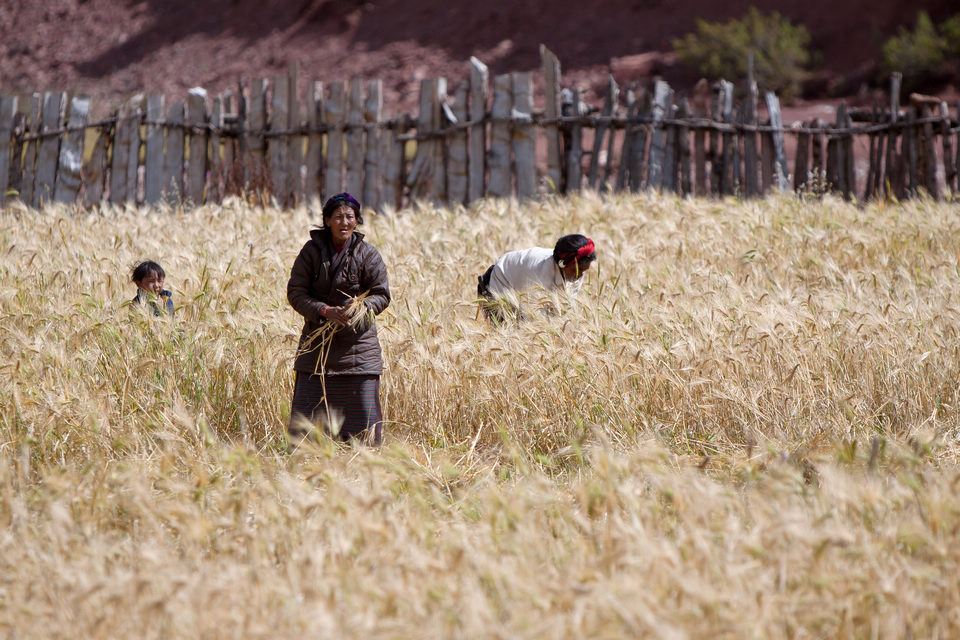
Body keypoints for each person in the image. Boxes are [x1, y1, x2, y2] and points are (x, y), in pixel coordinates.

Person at [287, 193, 391, 445]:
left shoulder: (367, 254)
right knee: (307, 426)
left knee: (363, 426)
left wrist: (360, 308)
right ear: (327, 221)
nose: (344, 222)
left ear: (357, 221)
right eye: (338, 217)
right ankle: (306, 464)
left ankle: (362, 465)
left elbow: (381, 294)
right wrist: (324, 310)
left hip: (358, 348)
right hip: (317, 347)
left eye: (350, 217)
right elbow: (296, 292)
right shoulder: (311, 252)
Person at [477, 234, 596, 323]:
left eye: (583, 270)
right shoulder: (538, 271)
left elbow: (565, 309)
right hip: (498, 286)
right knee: (508, 334)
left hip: (521, 294)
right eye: (577, 270)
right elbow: (531, 317)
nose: (579, 275)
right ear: (562, 264)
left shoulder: (576, 270)